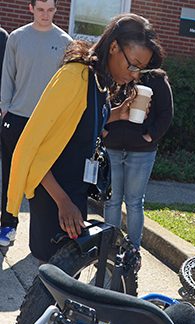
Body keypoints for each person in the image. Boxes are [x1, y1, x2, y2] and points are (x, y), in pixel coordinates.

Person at [7, 13, 156, 262]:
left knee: (68, 270)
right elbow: (33, 144)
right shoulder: (74, 76)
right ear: (114, 47)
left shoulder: (99, 81)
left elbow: (81, 124)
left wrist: (118, 113)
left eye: (140, 69)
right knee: (52, 271)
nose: (134, 75)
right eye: (133, 65)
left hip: (75, 190)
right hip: (54, 193)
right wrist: (63, 202)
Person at [0, 0, 72, 247]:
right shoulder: (17, 38)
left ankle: (43, 234)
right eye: (40, 9)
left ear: (56, 10)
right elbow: (7, 75)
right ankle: (8, 225)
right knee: (11, 176)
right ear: (31, 8)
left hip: (47, 124)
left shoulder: (65, 42)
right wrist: (5, 108)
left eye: (50, 10)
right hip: (17, 118)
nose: (45, 14)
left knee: (43, 177)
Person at [103, 38, 173, 258]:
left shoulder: (157, 80)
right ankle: (109, 248)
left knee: (134, 202)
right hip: (112, 147)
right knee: (112, 200)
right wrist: (102, 131)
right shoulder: (114, 73)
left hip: (142, 151)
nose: (136, 67)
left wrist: (150, 136)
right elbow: (98, 106)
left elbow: (166, 114)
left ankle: (133, 251)